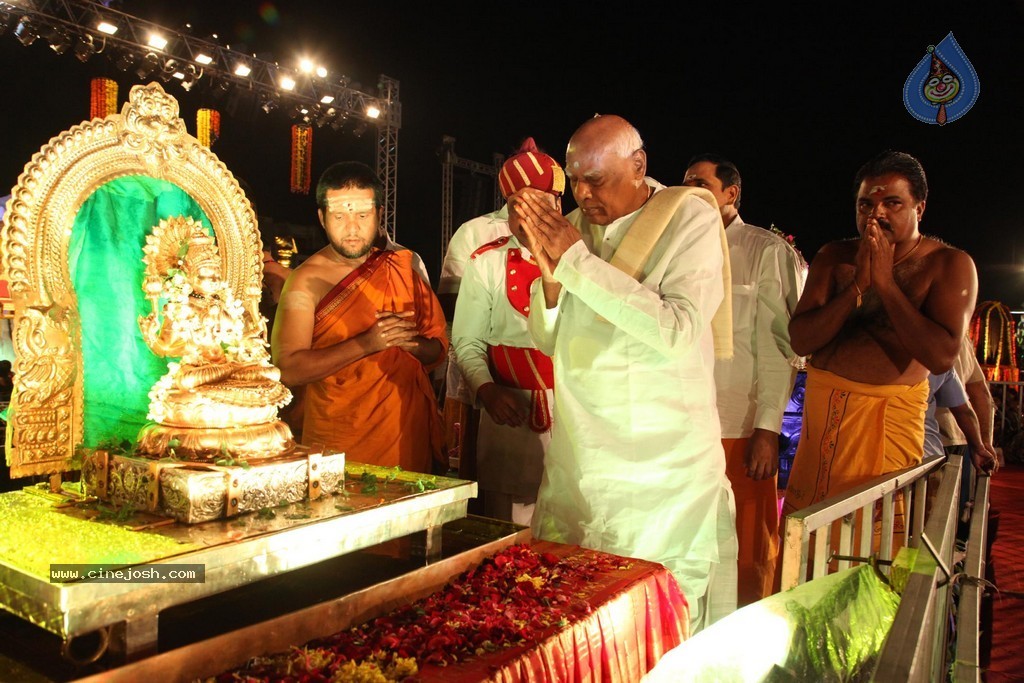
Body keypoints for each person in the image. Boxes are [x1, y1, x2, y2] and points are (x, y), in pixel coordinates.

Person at [513, 114, 738, 632]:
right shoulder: (573, 227)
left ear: (639, 166)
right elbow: (549, 341)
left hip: (664, 472)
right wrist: (549, 280)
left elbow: (677, 328)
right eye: (575, 180)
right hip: (584, 462)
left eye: (597, 179)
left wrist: (572, 261)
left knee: (659, 619)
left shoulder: (689, 219)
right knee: (576, 618)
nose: (584, 193)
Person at [784, 150, 985, 529]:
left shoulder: (948, 265)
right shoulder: (835, 257)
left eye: (892, 203)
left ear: (919, 208)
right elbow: (801, 340)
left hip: (883, 432)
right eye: (865, 204)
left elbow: (941, 356)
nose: (875, 215)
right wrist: (856, 287)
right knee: (808, 539)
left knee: (871, 549)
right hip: (821, 424)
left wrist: (886, 285)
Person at [271, 162, 448, 472]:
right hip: (340, 446)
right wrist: (368, 343)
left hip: (405, 439)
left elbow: (438, 348)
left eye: (363, 216)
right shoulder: (305, 282)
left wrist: (412, 345)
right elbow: (288, 369)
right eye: (340, 216)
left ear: (379, 216)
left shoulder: (400, 270)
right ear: (322, 218)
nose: (352, 229)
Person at [683, 153, 805, 606]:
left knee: (748, 545)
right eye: (686, 183)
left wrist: (768, 429)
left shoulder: (766, 251)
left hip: (739, 424)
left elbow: (782, 348)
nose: (689, 190)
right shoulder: (675, 248)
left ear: (731, 193)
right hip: (684, 423)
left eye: (700, 183)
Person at [451, 141, 565, 526]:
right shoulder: (485, 263)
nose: (526, 214)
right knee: (510, 531)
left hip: (574, 413)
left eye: (538, 203)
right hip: (509, 415)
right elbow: (466, 341)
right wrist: (487, 389)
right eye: (517, 204)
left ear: (557, 206)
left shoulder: (586, 262)